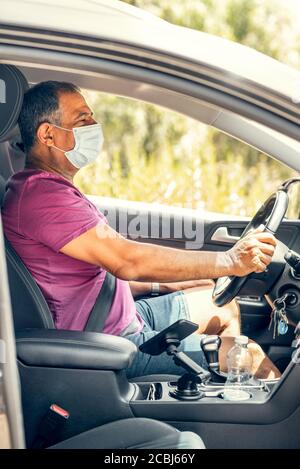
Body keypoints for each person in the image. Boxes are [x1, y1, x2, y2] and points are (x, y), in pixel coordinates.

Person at [2, 81, 280, 380]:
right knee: (247, 355)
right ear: (47, 134)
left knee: (221, 304)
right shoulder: (43, 198)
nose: (95, 126)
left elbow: (87, 279)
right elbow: (127, 261)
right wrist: (230, 261)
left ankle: (224, 394)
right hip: (106, 344)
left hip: (125, 317)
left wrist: (165, 285)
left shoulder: (51, 189)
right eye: (82, 120)